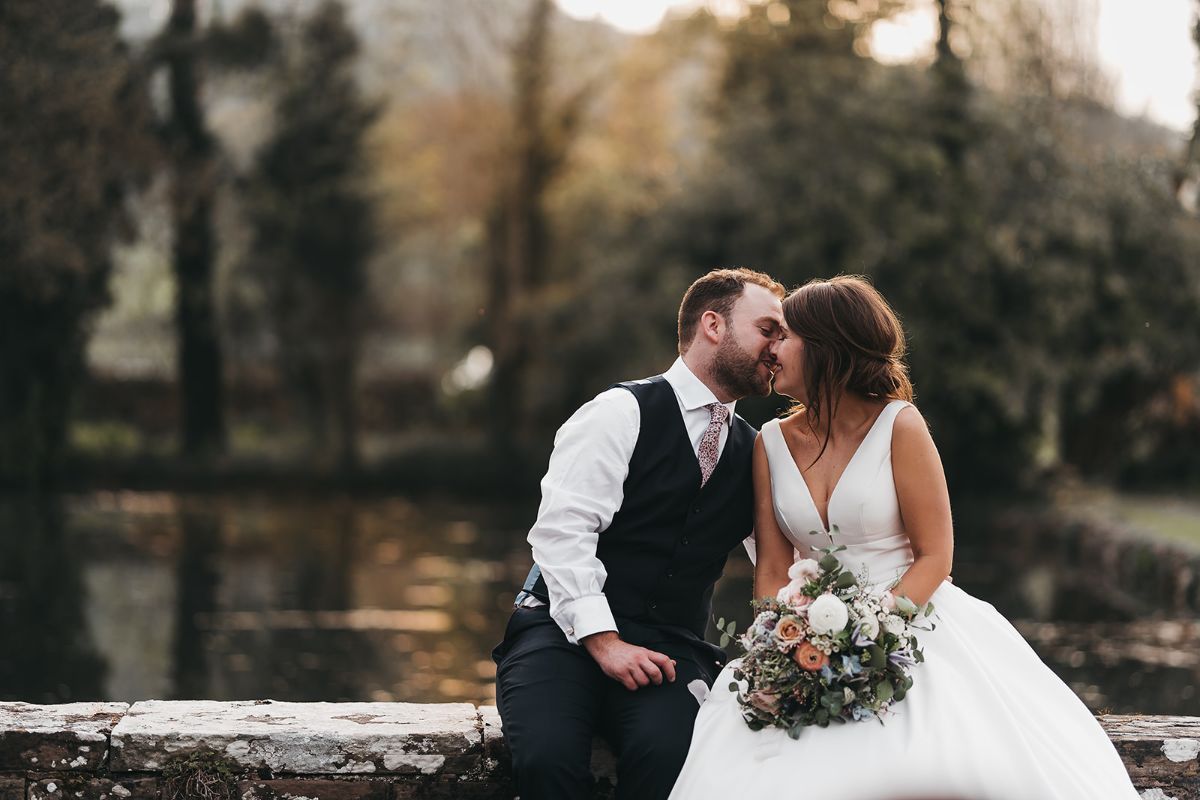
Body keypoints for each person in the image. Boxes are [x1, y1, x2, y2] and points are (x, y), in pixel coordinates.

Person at [669, 275, 1142, 800]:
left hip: (910, 621)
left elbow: (936, 556)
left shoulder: (900, 424)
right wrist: (778, 650)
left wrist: (868, 637)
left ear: (825, 347)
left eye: (784, 336)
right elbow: (773, 573)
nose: (771, 349)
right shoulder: (771, 443)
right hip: (802, 636)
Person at [492, 268, 786, 800]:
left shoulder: (758, 451)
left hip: (670, 649)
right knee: (547, 760)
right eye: (768, 329)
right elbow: (562, 533)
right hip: (559, 635)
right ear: (713, 324)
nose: (778, 347)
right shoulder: (619, 413)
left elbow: (779, 565)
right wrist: (603, 642)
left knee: (673, 761)